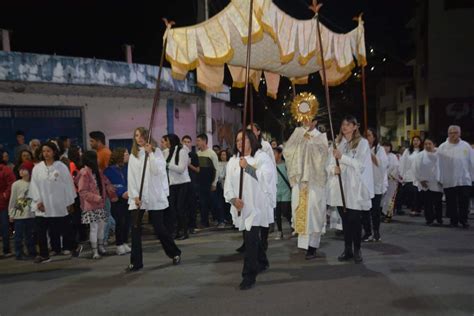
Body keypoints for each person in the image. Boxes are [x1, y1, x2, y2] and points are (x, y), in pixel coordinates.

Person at [224, 130, 274, 290]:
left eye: (243, 139)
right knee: (250, 237)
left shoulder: (261, 158)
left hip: (256, 207)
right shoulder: (233, 161)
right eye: (237, 140)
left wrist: (249, 168)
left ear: (252, 140)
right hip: (241, 207)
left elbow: (267, 178)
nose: (240, 143)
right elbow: (228, 184)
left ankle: (249, 275)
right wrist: (233, 199)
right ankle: (263, 261)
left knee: (250, 240)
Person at [126, 127, 181, 272]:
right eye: (136, 135)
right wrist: (134, 195)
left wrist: (150, 153)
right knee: (135, 229)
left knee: (159, 228)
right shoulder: (134, 154)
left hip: (154, 194)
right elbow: (131, 177)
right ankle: (136, 262)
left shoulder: (156, 152)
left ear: (147, 136)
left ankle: (174, 252)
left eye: (142, 135)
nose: (139, 138)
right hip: (138, 196)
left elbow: (157, 171)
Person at [327, 115, 373, 263]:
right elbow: (327, 164)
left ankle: (357, 249)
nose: (345, 127)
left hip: (354, 188)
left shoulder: (362, 143)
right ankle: (347, 250)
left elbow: (360, 164)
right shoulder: (337, 143)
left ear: (355, 126)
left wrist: (343, 158)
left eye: (348, 124)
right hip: (340, 188)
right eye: (343, 124)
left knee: (354, 220)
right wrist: (333, 169)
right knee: (345, 221)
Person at [283, 118, 328, 259]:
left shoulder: (320, 137)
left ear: (314, 121)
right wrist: (299, 140)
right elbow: (287, 152)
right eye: (304, 119)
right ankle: (303, 244)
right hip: (299, 180)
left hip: (314, 181)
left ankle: (313, 246)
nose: (306, 122)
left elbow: (324, 155)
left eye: (309, 120)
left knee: (314, 212)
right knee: (300, 210)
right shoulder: (297, 133)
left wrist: (310, 143)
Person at [28, 142, 77, 263]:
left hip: (58, 204)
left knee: (64, 228)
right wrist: (38, 201)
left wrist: (69, 202)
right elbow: (34, 185)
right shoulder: (37, 168)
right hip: (43, 206)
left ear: (54, 152)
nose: (46, 154)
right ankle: (44, 255)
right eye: (44, 151)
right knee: (41, 231)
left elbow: (68, 185)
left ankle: (74, 247)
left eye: (48, 151)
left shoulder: (61, 167)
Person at [76, 151, 117, 259]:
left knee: (101, 227)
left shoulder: (97, 172)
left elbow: (106, 182)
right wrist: (96, 198)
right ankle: (95, 251)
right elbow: (82, 191)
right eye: (96, 158)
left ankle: (100, 247)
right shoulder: (84, 173)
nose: (98, 160)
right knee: (94, 228)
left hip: (100, 204)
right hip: (91, 206)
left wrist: (109, 188)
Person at [247, 123, 277, 250]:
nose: (249, 132)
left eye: (252, 130)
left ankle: (263, 241)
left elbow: (270, 164)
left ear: (258, 132)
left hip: (264, 183)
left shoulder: (264, 146)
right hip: (251, 184)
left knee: (264, 213)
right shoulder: (246, 146)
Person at [438, 125, 474, 228]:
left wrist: (472, 177)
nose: (453, 135)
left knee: (464, 201)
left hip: (464, 179)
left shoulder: (466, 146)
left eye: (455, 132)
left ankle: (464, 220)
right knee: (451, 201)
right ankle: (453, 220)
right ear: (448, 134)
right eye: (451, 133)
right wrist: (440, 178)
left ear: (460, 133)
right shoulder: (442, 147)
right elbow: (438, 164)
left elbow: (471, 162)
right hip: (449, 179)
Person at [362, 128, 388, 242]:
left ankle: (376, 232)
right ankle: (367, 232)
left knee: (375, 210)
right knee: (365, 210)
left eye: (369, 135)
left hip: (376, 184)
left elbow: (381, 164)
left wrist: (370, 152)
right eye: (366, 136)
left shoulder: (379, 149)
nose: (368, 138)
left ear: (374, 137)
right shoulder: (361, 149)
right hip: (365, 184)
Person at [104, 147, 131, 255]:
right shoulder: (109, 170)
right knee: (120, 222)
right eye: (126, 153)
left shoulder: (127, 168)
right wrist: (122, 192)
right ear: (120, 156)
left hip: (129, 198)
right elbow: (112, 185)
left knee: (127, 222)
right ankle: (119, 244)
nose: (128, 155)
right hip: (117, 199)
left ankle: (125, 242)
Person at [89, 131, 114, 245]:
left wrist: (107, 188)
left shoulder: (105, 153)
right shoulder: (98, 153)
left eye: (92, 141)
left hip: (105, 189)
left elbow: (108, 172)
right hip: (100, 189)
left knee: (106, 216)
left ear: (98, 141)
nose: (90, 143)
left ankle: (103, 240)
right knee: (107, 216)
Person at [8, 161, 36, 260]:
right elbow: (13, 199)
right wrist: (11, 214)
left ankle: (32, 251)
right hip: (19, 215)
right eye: (20, 169)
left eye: (24, 169)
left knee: (30, 235)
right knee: (18, 236)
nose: (21, 171)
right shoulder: (16, 184)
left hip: (31, 215)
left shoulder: (34, 184)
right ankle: (19, 253)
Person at [165, 134, 192, 240]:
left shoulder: (182, 151)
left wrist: (167, 165)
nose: (166, 143)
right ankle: (175, 230)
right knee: (173, 209)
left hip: (183, 183)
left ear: (171, 141)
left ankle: (184, 231)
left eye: (167, 141)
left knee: (180, 208)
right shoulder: (168, 152)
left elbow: (181, 169)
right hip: (172, 184)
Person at [414, 138, 443, 226]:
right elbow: (416, 168)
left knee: (438, 202)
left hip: (437, 182)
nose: (427, 146)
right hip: (426, 183)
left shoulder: (440, 154)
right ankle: (429, 219)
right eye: (426, 144)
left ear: (434, 144)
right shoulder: (420, 155)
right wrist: (420, 180)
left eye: (429, 144)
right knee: (428, 202)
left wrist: (442, 179)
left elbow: (444, 167)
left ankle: (439, 218)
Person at [196, 134, 220, 228]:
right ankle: (204, 222)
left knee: (213, 202)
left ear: (204, 141)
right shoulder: (197, 154)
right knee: (202, 203)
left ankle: (218, 219)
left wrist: (214, 183)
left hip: (210, 182)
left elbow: (216, 169)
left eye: (198, 140)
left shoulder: (211, 153)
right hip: (201, 183)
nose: (197, 143)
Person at [399, 136, 423, 216]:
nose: (415, 142)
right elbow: (403, 162)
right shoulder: (408, 151)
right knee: (412, 192)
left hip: (420, 175)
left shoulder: (422, 151)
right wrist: (401, 174)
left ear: (420, 142)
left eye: (417, 140)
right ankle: (413, 209)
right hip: (409, 175)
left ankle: (418, 209)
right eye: (414, 140)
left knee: (419, 193)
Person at [182, 135, 200, 234]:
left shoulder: (193, 155)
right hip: (183, 183)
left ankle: (192, 225)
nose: (186, 143)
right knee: (183, 205)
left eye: (188, 142)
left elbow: (198, 169)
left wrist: (188, 164)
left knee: (192, 204)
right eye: (184, 141)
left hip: (192, 182)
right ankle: (184, 226)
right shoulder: (179, 154)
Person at [273, 147, 292, 240]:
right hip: (276, 192)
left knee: (285, 211)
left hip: (286, 191)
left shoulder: (286, 165)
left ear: (280, 154)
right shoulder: (272, 166)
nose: (273, 155)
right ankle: (280, 231)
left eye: (275, 153)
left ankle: (293, 225)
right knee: (277, 213)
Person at [0, 149, 16, 258]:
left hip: (3, 203)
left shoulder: (5, 170)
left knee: (5, 227)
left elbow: (11, 184)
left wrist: (5, 195)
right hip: (3, 202)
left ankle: (6, 250)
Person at [381, 142, 400, 223]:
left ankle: (388, 215)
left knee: (390, 199)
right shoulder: (380, 156)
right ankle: (382, 213)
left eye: (387, 146)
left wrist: (390, 176)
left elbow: (396, 167)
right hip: (381, 181)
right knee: (382, 199)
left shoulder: (393, 156)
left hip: (391, 181)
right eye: (384, 146)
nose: (386, 148)